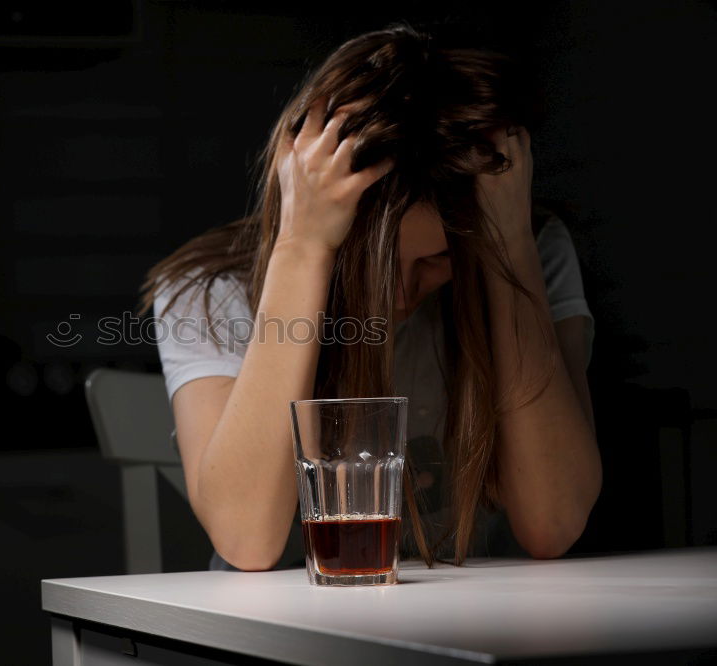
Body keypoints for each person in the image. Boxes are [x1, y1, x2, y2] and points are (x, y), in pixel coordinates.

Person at [139, 21, 601, 571]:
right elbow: (246, 541)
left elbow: (553, 522)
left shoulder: (531, 249)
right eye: (374, 265)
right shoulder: (209, 290)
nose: (402, 292)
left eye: (437, 260)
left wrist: (510, 248)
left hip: (483, 624)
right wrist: (304, 248)